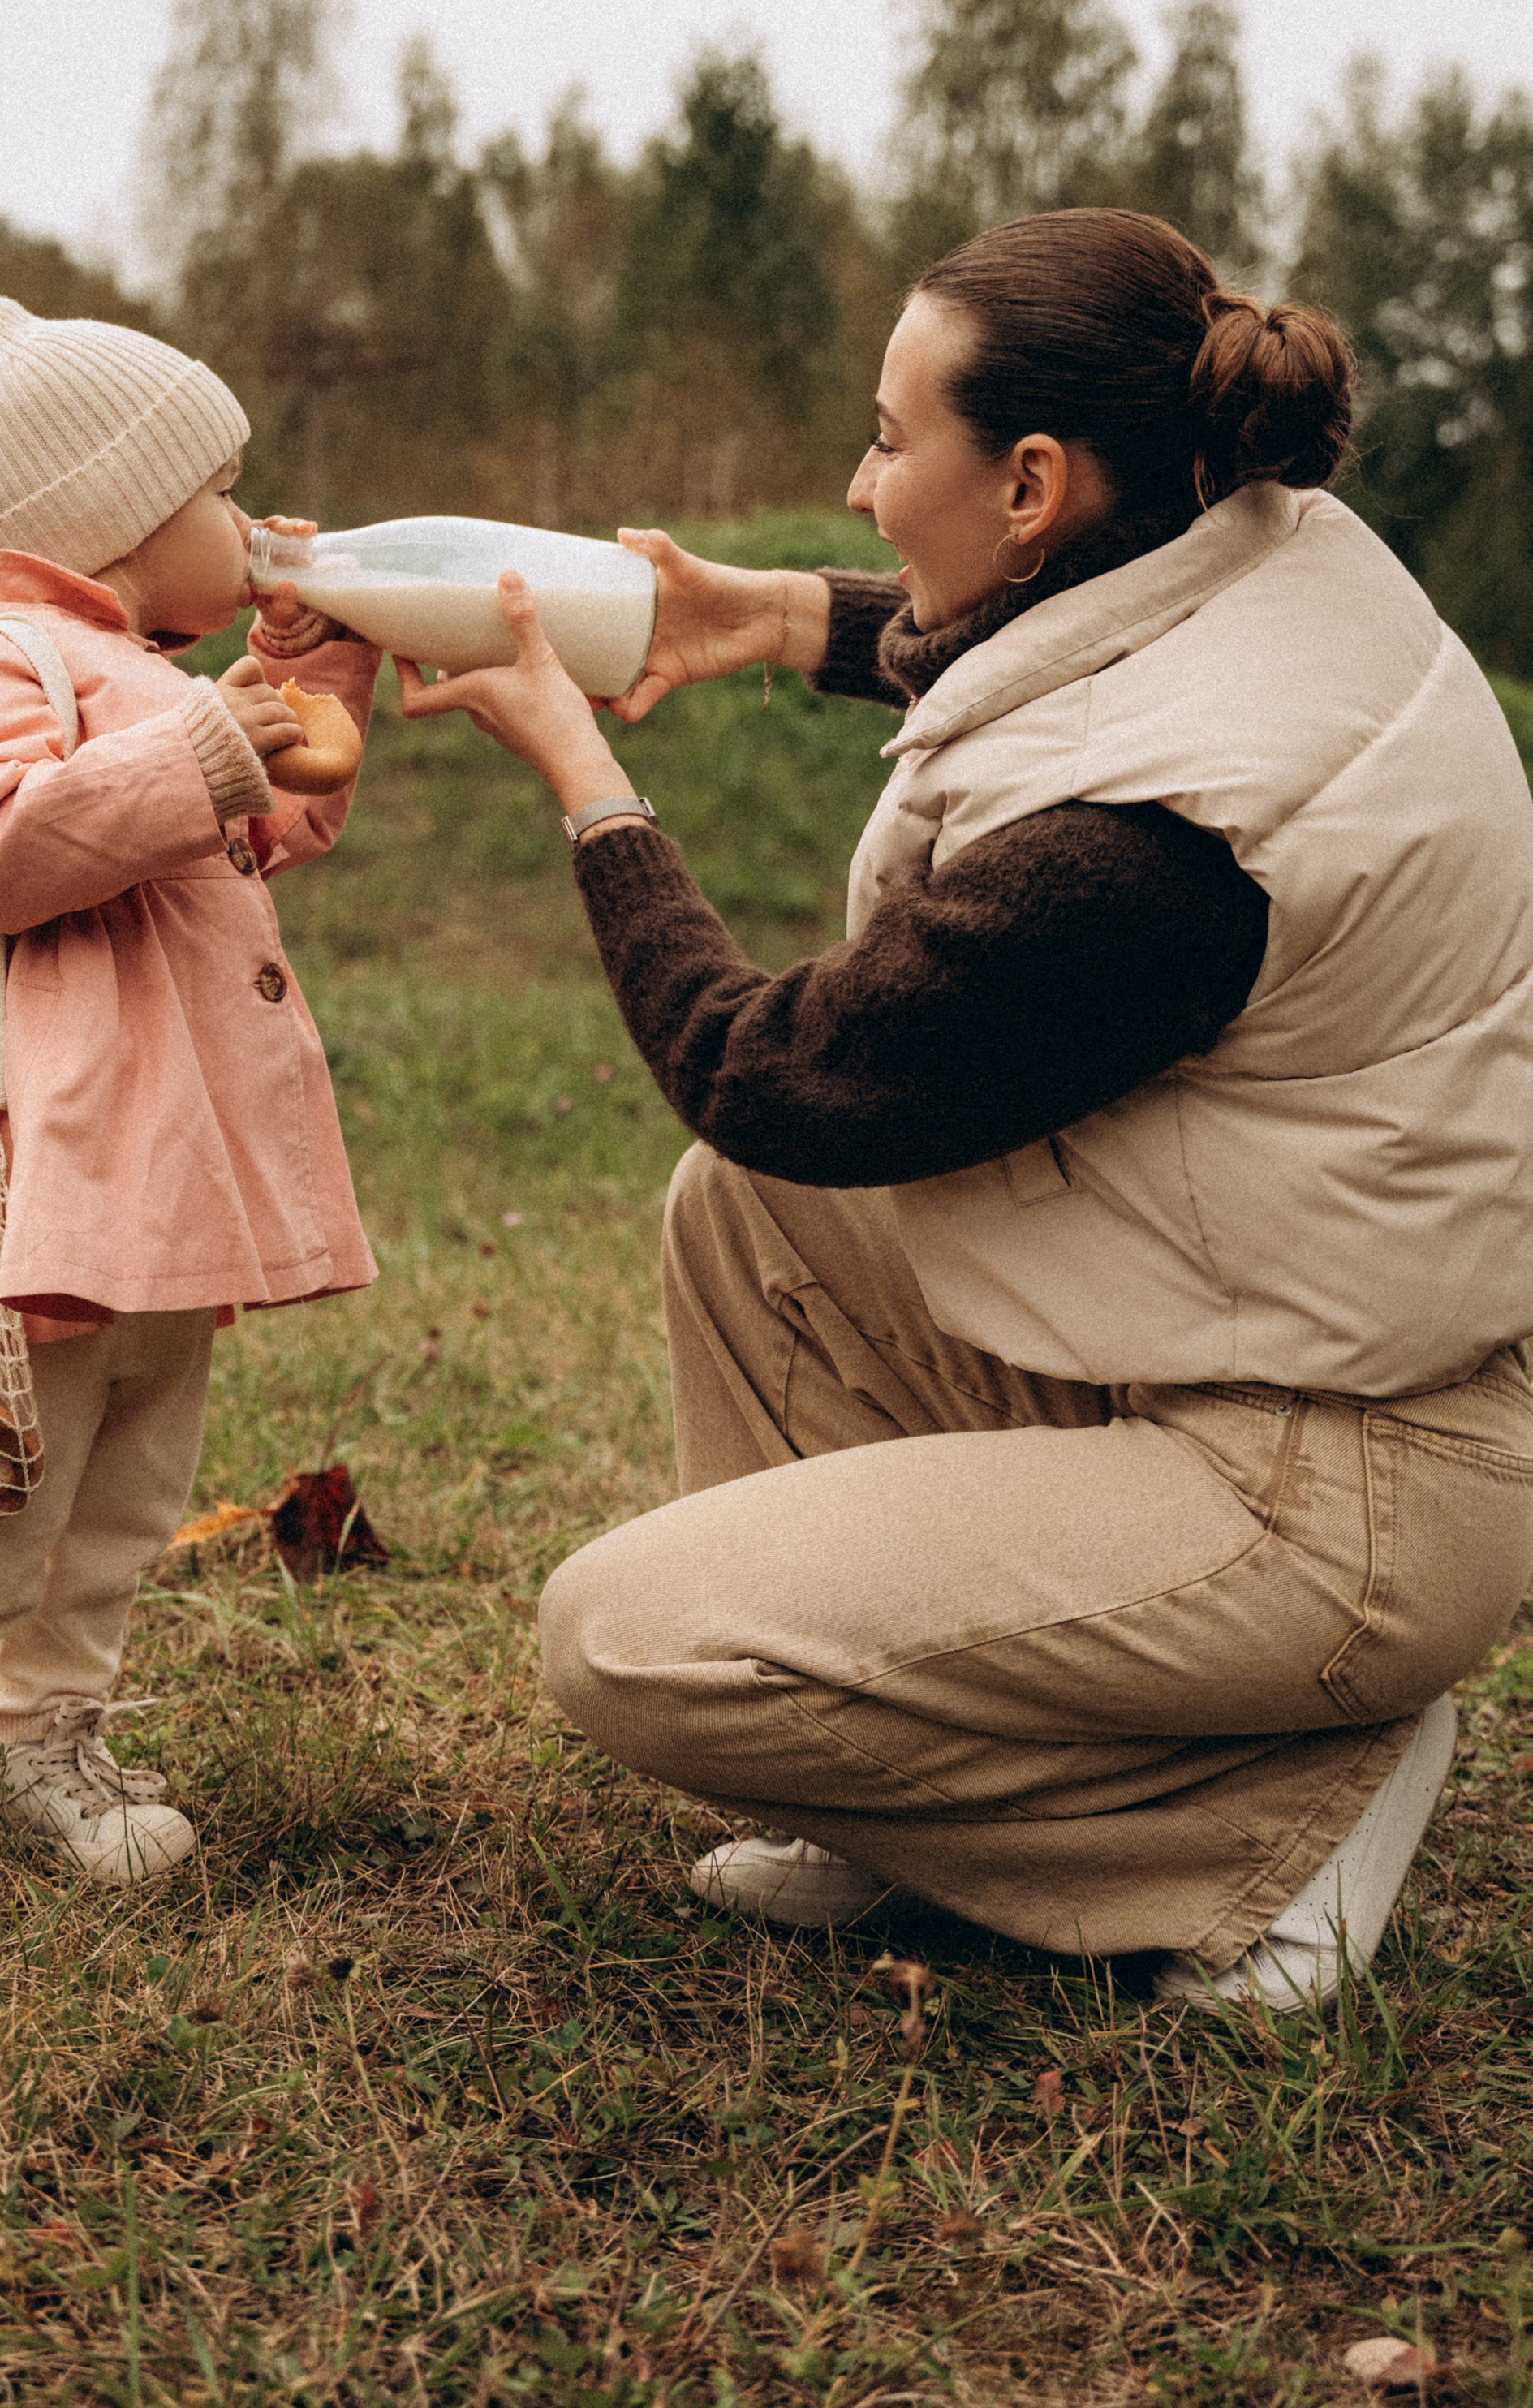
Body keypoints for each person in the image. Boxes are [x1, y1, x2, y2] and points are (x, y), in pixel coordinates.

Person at [398, 209, 1533, 2012]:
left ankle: (1278, 1810)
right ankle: (881, 1794)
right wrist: (774, 620)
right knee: (745, 1214)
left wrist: (584, 779)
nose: (855, 487)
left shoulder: (1155, 853)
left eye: (881, 435)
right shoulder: (1263, 547)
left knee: (623, 1641)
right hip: (1312, 1366)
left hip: (1334, 1489)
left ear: (1024, 481)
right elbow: (1076, 651)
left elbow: (773, 1069)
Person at [0, 295, 377, 1924]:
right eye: (222, 494)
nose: (250, 524)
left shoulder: (143, 669)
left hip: (169, 1180)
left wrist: (306, 667)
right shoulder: (6, 661)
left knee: (129, 1497)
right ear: (116, 527)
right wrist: (209, 737)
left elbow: (274, 821)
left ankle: (42, 1735)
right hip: (46, 1181)